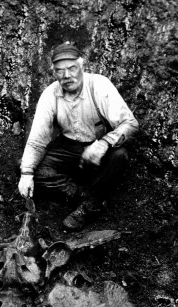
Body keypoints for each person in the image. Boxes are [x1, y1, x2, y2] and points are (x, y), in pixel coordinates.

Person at [18, 42, 139, 231]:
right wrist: (26, 173)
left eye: (72, 68)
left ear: (82, 65)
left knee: (120, 156)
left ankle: (90, 206)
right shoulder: (51, 95)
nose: (67, 76)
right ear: (54, 72)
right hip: (68, 147)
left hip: (99, 147)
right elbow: (37, 140)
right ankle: (81, 195)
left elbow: (130, 124)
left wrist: (103, 144)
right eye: (60, 71)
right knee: (27, 168)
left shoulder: (99, 85)